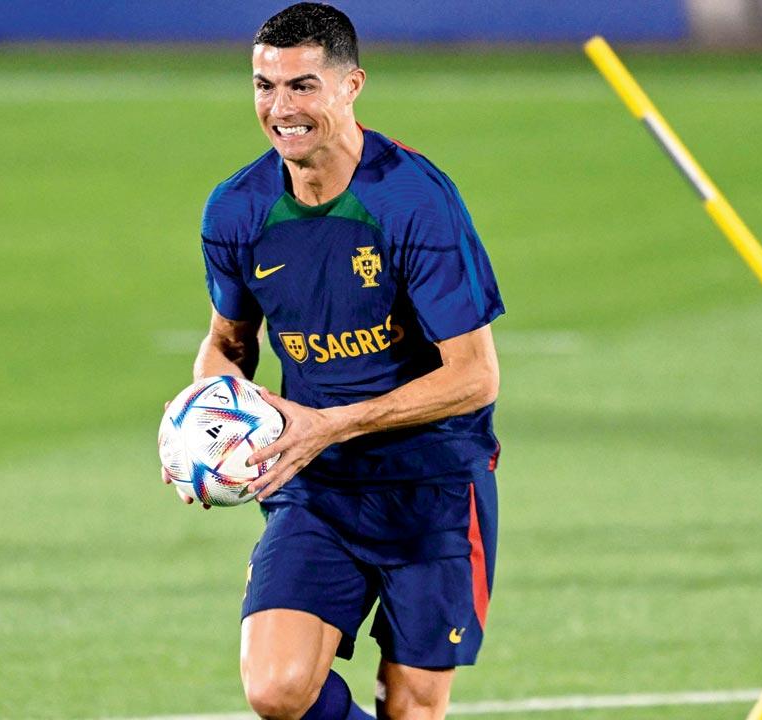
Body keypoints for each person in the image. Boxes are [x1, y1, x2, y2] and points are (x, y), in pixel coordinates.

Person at [163, 4, 503, 718]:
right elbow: (228, 343)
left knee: (411, 709)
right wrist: (210, 421)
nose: (280, 108)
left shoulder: (414, 201)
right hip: (316, 489)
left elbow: (474, 376)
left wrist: (332, 423)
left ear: (351, 87)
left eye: (302, 86)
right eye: (264, 86)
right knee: (277, 690)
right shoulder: (236, 211)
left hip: (432, 487)